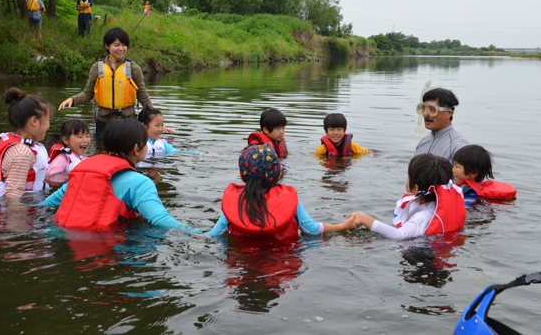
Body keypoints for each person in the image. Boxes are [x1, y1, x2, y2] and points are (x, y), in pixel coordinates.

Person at [42, 118, 199, 231]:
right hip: (105, 246)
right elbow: (160, 220)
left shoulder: (85, 170)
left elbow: (47, 203)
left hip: (59, 233)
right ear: (137, 149)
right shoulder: (141, 182)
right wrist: (199, 234)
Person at [205, 145, 352, 238]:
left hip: (243, 263)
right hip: (281, 263)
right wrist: (343, 226)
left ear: (243, 177)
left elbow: (212, 235)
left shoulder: (234, 203)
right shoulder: (290, 199)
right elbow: (310, 229)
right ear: (279, 175)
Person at [57, 27, 162, 139]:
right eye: (117, 45)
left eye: (124, 45)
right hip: (104, 122)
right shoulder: (97, 68)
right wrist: (73, 100)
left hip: (128, 122)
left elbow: (143, 96)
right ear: (107, 46)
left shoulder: (133, 69)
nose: (121, 48)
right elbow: (87, 94)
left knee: (126, 154)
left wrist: (155, 121)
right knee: (103, 152)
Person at [346, 153, 465, 239]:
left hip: (420, 255)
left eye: (408, 177)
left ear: (416, 188)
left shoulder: (423, 217)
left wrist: (363, 218)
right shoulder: (432, 207)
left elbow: (398, 235)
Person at [0, 87, 51, 199]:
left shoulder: (21, 145)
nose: (48, 125)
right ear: (34, 121)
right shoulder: (22, 153)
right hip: (15, 213)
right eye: (47, 120)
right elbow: (12, 198)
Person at [414, 88, 468, 164]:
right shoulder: (424, 142)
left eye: (432, 109)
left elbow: (468, 174)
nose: (426, 114)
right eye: (423, 108)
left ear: (449, 113)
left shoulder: (457, 145)